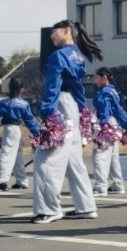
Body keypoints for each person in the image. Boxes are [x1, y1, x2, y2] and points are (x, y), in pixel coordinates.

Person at [30, 20, 103, 225]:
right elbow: (78, 87)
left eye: (55, 32)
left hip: (60, 104)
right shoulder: (77, 55)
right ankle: (86, 206)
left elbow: (52, 86)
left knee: (45, 159)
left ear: (67, 31)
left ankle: (48, 209)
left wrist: (47, 112)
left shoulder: (58, 56)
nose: (51, 36)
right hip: (73, 106)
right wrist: (82, 111)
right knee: (73, 160)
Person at [0, 78, 40, 191]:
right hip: (18, 130)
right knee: (17, 156)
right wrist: (38, 133)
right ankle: (22, 180)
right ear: (21, 89)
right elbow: (30, 120)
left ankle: (2, 181)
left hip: (10, 129)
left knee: (6, 154)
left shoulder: (5, 102)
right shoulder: (24, 103)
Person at [90, 67, 127, 196]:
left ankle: (100, 187)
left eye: (96, 77)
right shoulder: (113, 91)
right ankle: (117, 184)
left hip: (106, 125)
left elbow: (104, 111)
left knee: (99, 156)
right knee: (113, 157)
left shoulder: (104, 92)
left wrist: (101, 126)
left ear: (104, 78)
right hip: (113, 125)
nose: (94, 81)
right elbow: (119, 110)